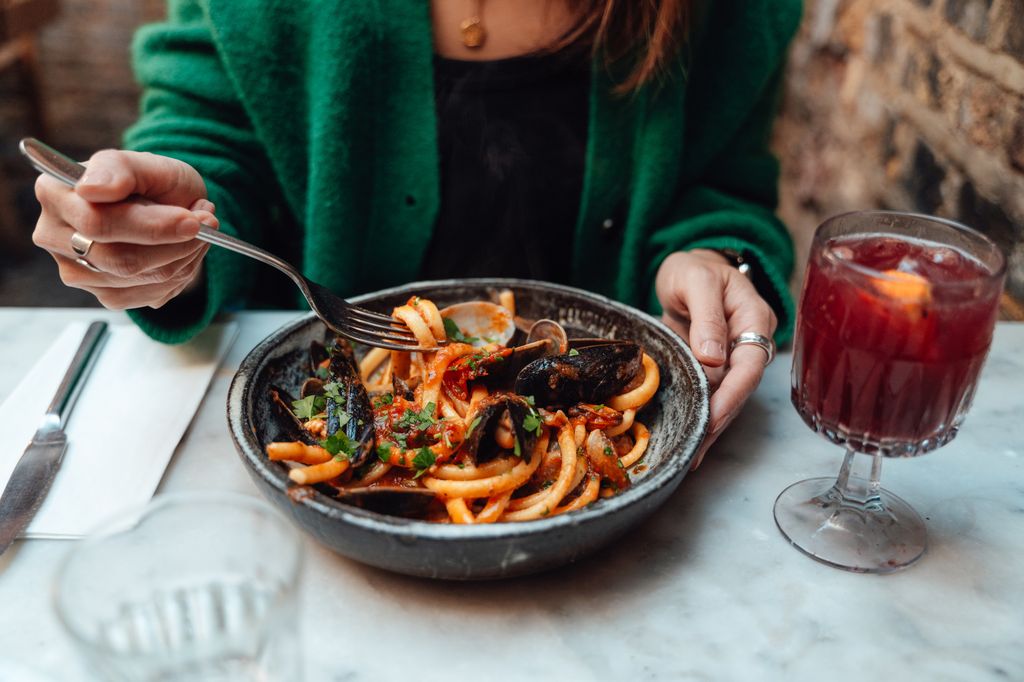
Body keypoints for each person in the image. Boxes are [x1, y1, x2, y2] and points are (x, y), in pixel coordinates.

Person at [30, 0, 801, 467]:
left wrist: (715, 257)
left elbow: (723, 183)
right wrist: (164, 232)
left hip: (621, 493)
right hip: (304, 454)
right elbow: (212, 131)